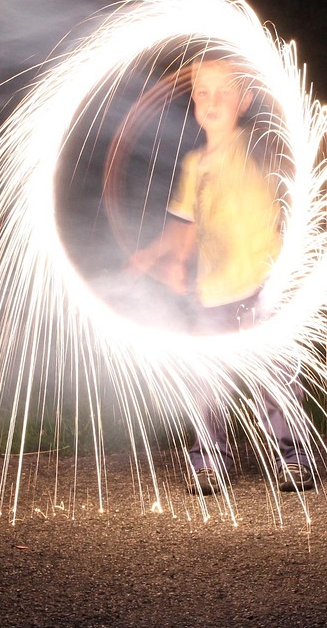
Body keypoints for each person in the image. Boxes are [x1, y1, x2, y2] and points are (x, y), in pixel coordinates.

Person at [127, 54, 314, 495]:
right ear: (193, 102)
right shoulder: (195, 165)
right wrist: (162, 258)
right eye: (202, 93)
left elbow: (292, 156)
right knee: (207, 383)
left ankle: (292, 458)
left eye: (223, 92)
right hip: (213, 293)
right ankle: (210, 461)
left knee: (277, 377)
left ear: (245, 100)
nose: (211, 101)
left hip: (267, 284)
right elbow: (184, 227)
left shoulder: (257, 146)